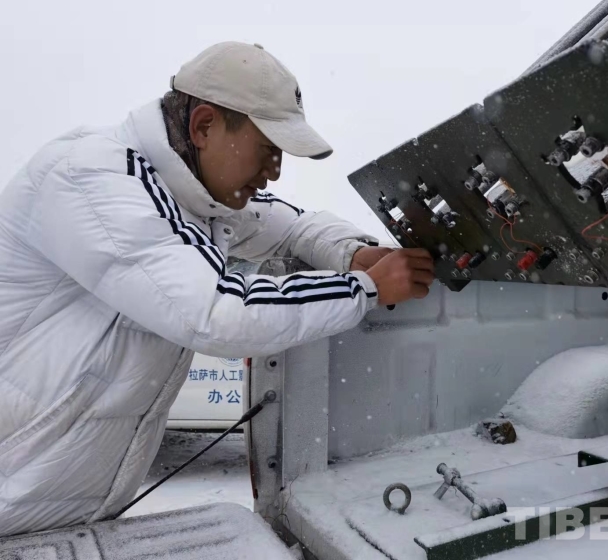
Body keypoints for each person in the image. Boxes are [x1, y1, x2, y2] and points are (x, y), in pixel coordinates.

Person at [0, 41, 434, 536]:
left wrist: (351, 253)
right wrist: (364, 288)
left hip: (54, 515)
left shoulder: (194, 199)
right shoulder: (90, 177)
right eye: (267, 150)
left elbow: (294, 226)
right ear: (204, 126)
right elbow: (216, 313)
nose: (274, 172)